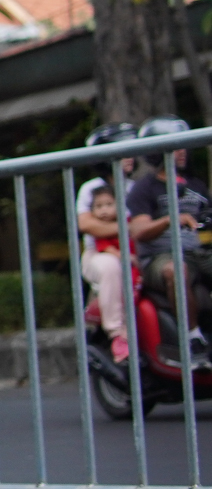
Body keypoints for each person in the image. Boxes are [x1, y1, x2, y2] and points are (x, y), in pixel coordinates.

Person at [122, 116, 211, 369]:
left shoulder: (196, 185)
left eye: (184, 145)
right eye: (175, 146)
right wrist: (171, 219)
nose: (182, 151)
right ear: (157, 151)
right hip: (159, 258)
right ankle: (192, 339)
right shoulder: (144, 188)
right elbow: (139, 231)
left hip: (196, 253)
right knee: (176, 270)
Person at [76, 123, 137, 363]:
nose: (131, 156)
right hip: (100, 253)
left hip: (133, 251)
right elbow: (87, 225)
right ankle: (117, 333)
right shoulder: (91, 189)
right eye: (124, 150)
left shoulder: (136, 187)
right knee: (111, 266)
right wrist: (130, 228)